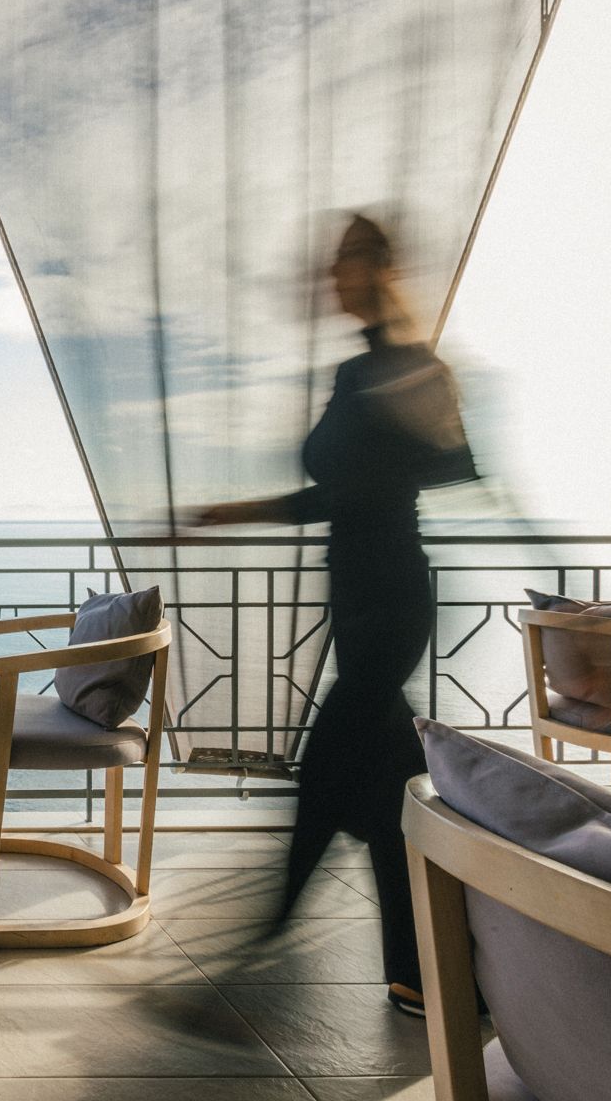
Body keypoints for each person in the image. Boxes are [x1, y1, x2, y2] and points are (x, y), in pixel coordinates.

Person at [187, 214, 474, 1017]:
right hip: (357, 595)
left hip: (391, 598)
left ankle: (257, 954)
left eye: (344, 260)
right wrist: (233, 513)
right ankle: (429, 973)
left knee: (322, 775)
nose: (330, 274)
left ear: (380, 268)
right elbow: (341, 494)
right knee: (387, 793)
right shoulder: (359, 371)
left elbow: (449, 463)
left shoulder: (404, 367)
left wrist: (409, 406)